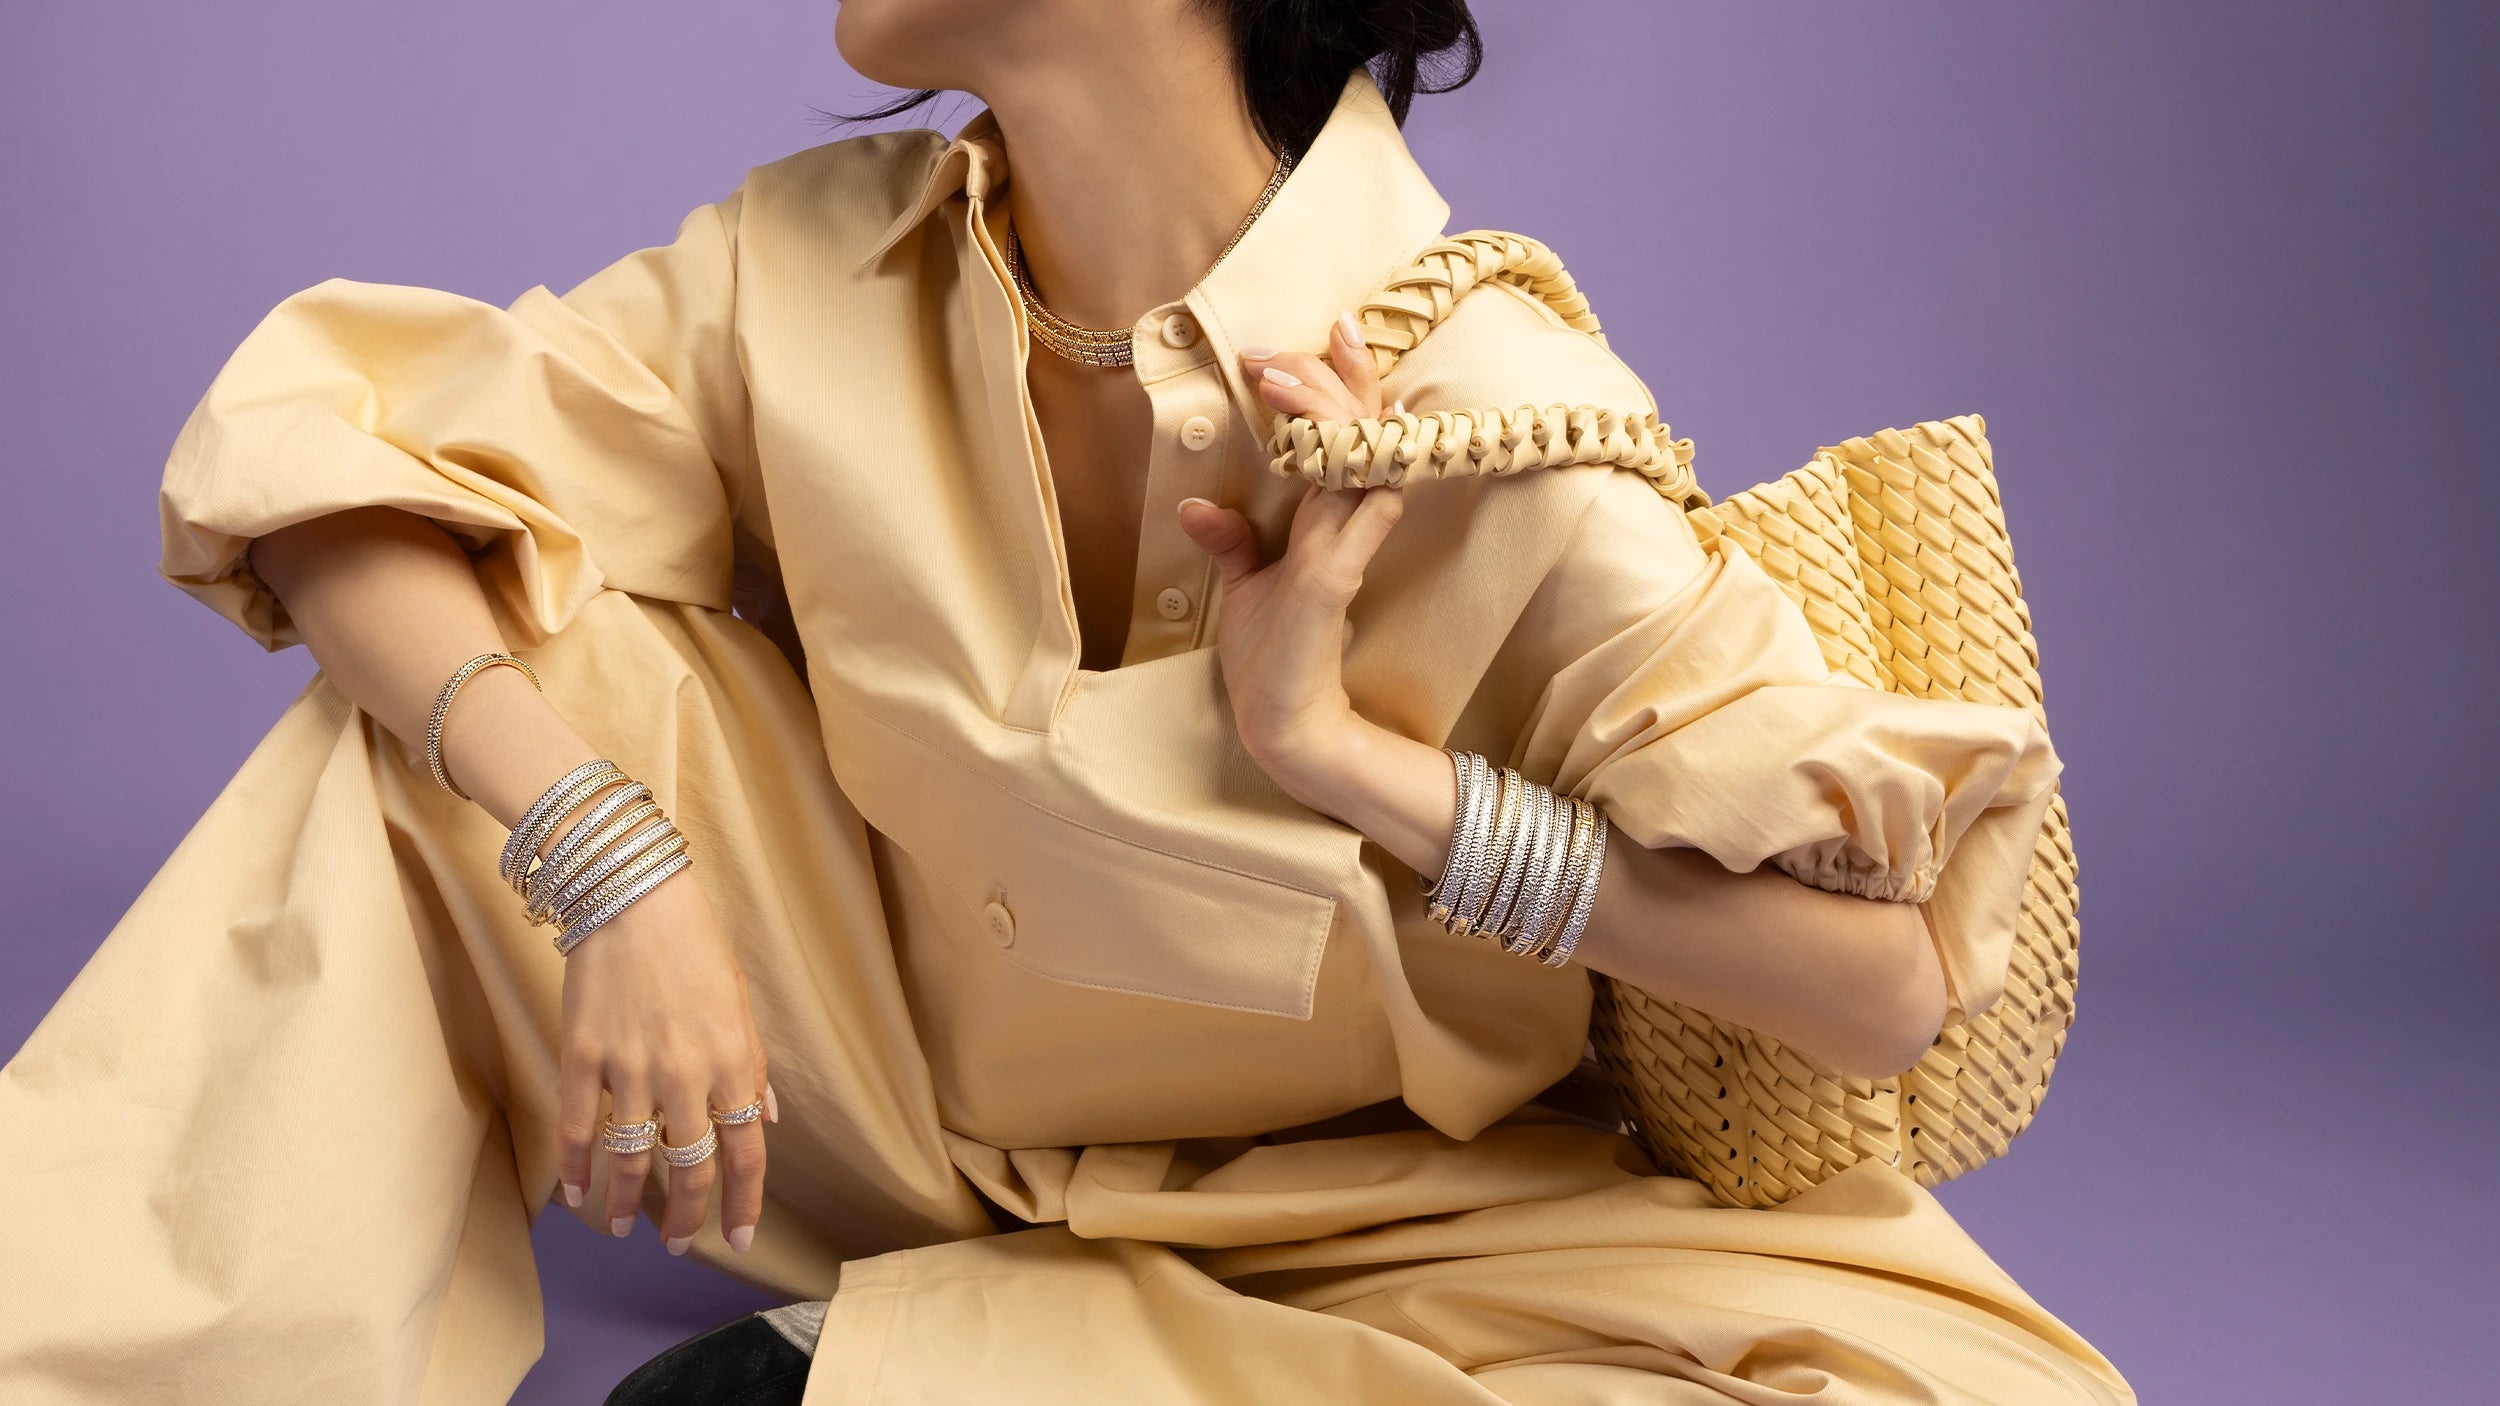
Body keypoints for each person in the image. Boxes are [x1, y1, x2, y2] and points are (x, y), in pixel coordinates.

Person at [0, 1, 2136, 1402]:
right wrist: (610, 861)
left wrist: (1349, 765)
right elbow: (335, 488)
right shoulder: (807, 268)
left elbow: (1873, 991)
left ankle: (958, 1365)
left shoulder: (1474, 409)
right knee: (461, 703)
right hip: (857, 1092)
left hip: (1350, 1210)